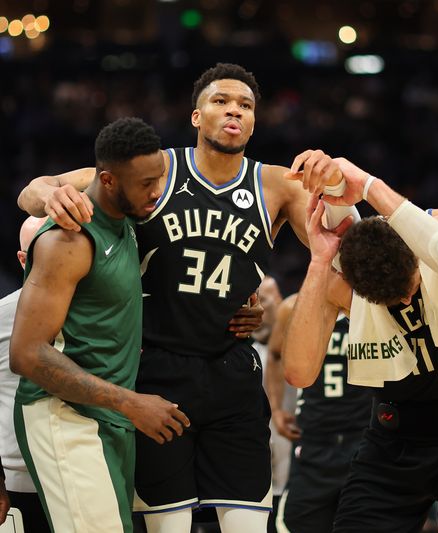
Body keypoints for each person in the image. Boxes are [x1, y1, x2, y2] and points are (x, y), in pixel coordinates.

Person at [16, 63, 350, 533]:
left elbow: (346, 248)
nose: (234, 110)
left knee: (249, 525)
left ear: (255, 122)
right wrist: (51, 197)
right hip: (157, 372)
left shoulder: (277, 184)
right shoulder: (156, 170)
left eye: (246, 105)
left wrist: (336, 184)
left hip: (232, 369)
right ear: (196, 116)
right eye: (221, 101)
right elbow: (35, 190)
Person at [282, 154, 438, 533]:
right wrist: (319, 263)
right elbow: (299, 372)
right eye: (389, 301)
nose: (405, 301)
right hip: (395, 437)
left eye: (409, 288)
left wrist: (366, 185)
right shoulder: (347, 278)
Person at [9, 117, 191, 533]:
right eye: (146, 184)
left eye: (158, 179)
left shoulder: (124, 214)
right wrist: (131, 403)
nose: (157, 193)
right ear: (107, 180)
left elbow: (41, 185)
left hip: (105, 414)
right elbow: (26, 354)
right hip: (64, 413)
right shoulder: (69, 238)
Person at [267, 293, 372, 533]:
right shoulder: (292, 307)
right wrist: (276, 408)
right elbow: (274, 354)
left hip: (365, 438)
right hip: (314, 438)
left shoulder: (374, 303)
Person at [0, 215, 49, 532]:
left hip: (90, 471)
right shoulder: (3, 314)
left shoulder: (101, 312)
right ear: (23, 258)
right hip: (16, 477)